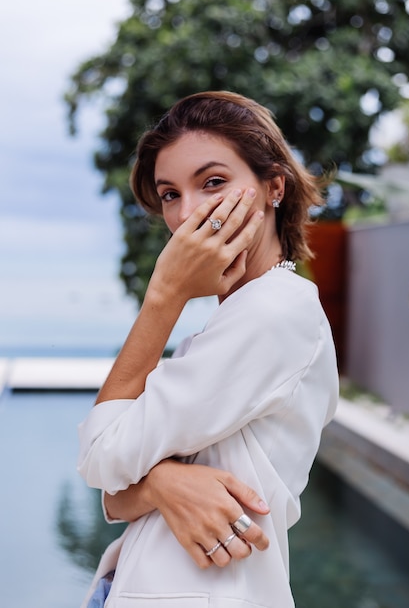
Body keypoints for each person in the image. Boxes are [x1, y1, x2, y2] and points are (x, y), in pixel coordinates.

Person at [77, 91, 339, 608]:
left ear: (273, 188)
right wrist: (158, 486)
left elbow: (100, 455)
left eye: (213, 182)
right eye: (169, 193)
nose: (188, 213)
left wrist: (165, 296)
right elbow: (115, 490)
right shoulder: (237, 318)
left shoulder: (274, 311)